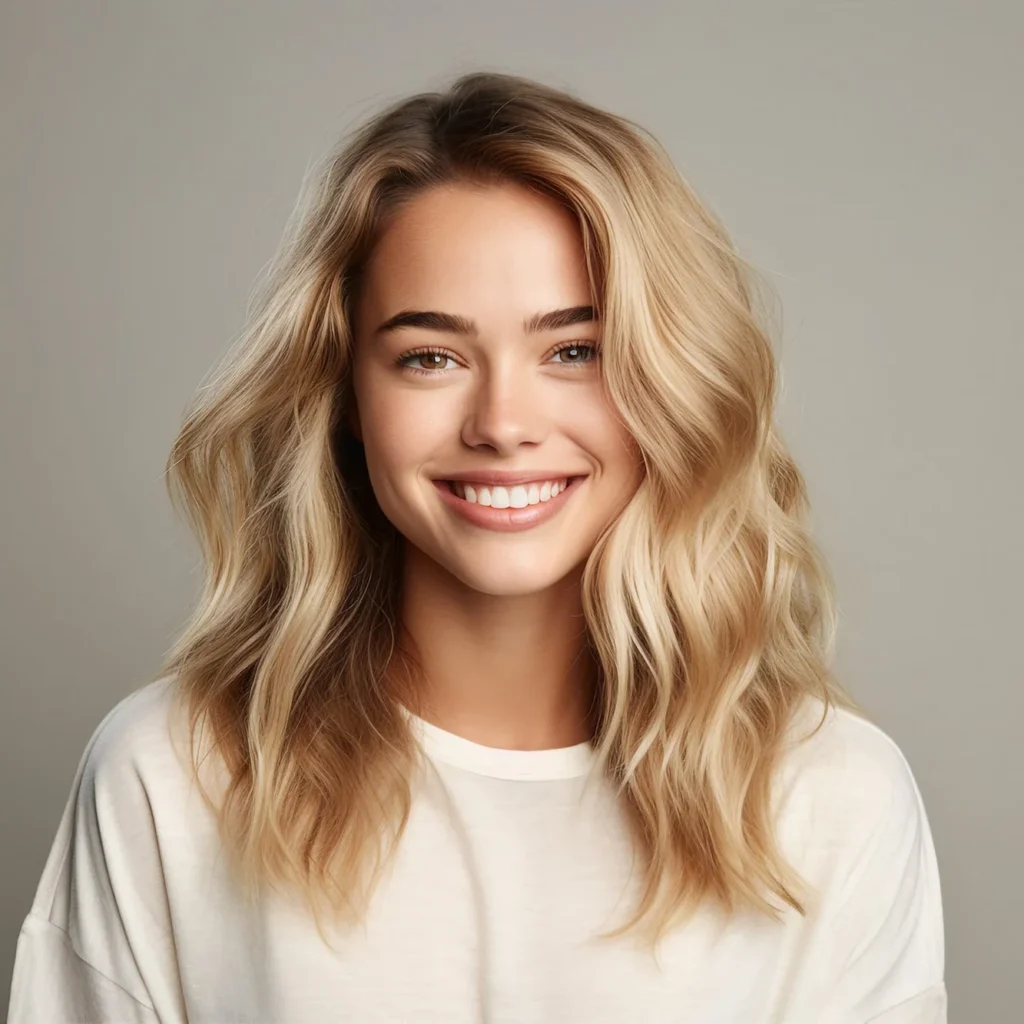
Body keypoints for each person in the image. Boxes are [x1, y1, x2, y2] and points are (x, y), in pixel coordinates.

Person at [7, 71, 946, 1023]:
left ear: (673, 381)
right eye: (431, 356)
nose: (502, 424)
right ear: (344, 400)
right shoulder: (171, 774)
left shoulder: (833, 798)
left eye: (575, 350)